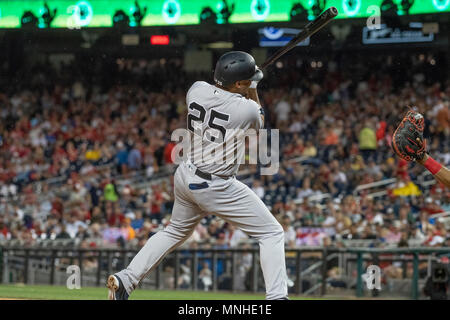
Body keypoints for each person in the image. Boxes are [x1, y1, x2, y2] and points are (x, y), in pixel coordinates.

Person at [107, 51, 289, 300]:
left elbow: (225, 90)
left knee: (173, 232)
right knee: (271, 233)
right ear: (238, 84)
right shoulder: (244, 109)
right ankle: (277, 297)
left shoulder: (196, 89)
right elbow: (259, 121)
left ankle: (126, 279)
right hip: (216, 185)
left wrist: (243, 82)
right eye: (242, 82)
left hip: (186, 174)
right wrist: (254, 85)